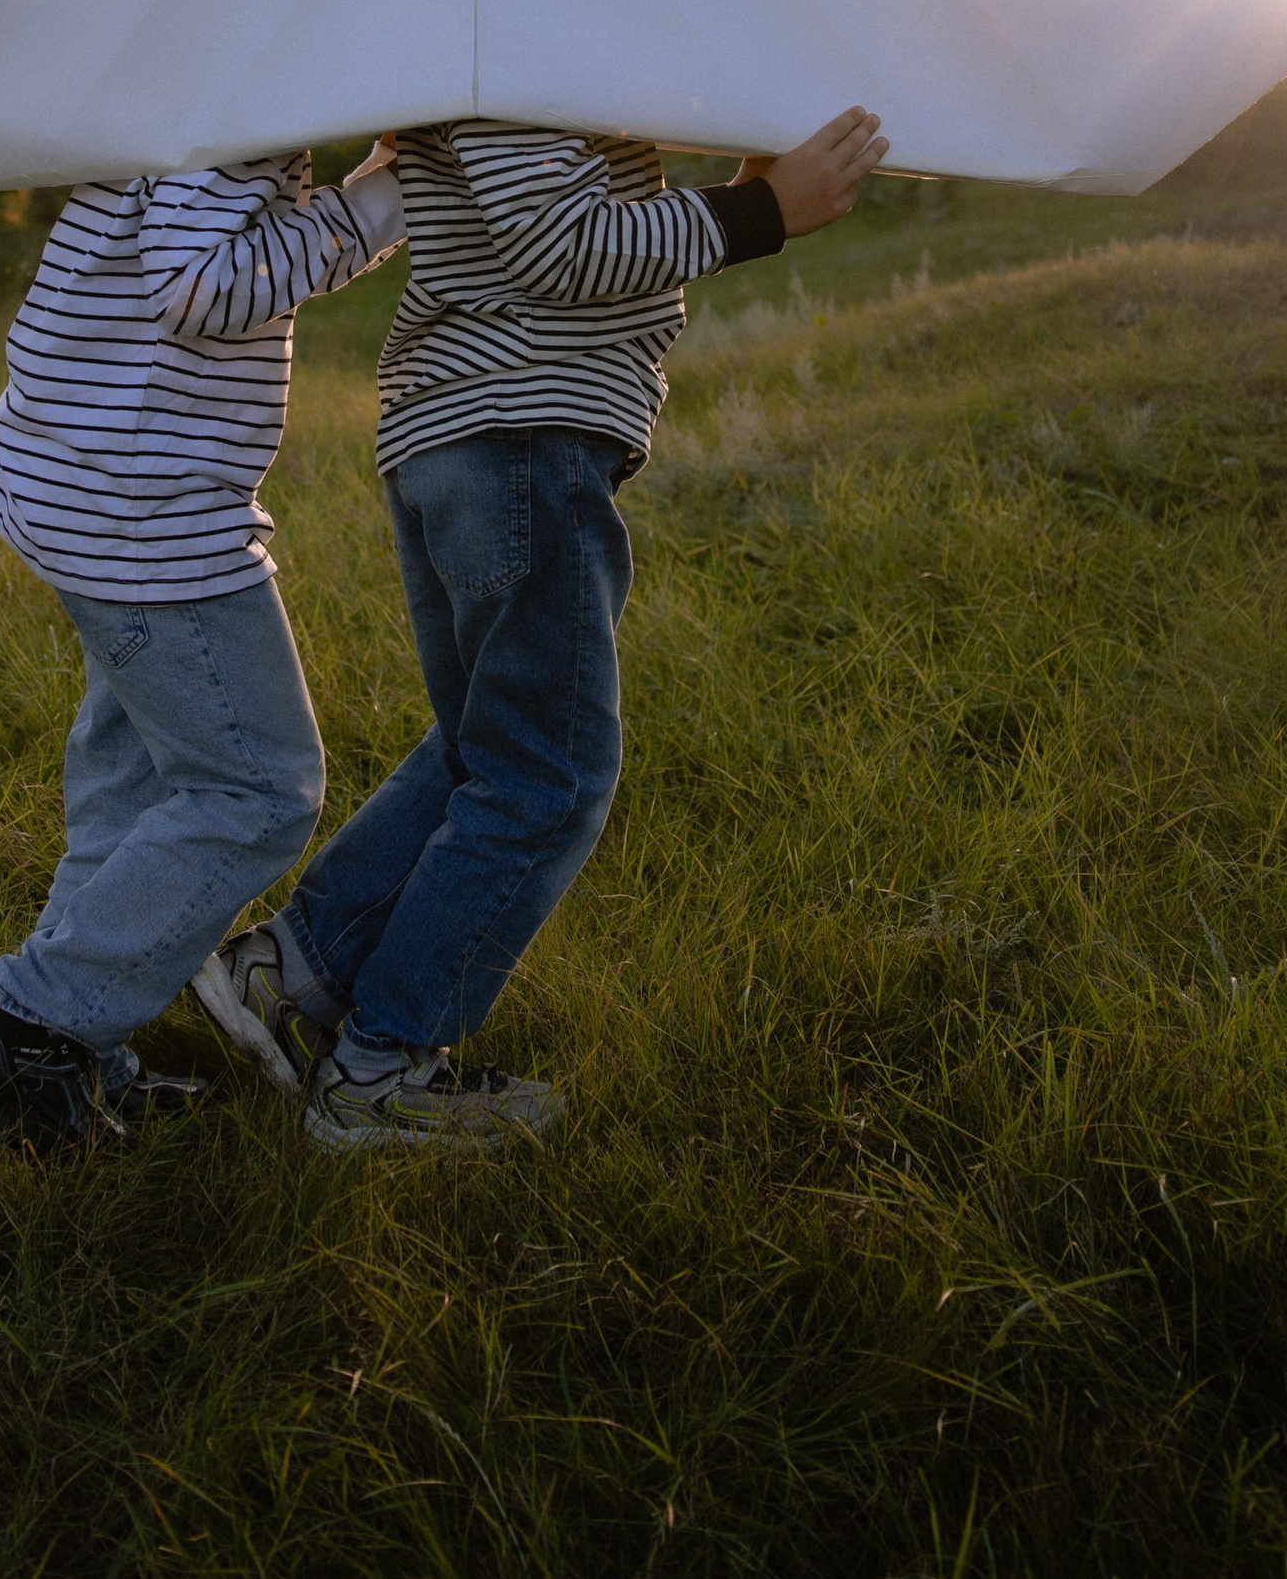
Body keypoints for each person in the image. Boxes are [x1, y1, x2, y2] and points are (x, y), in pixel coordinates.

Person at [192, 105, 886, 1149]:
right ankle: (381, 1070)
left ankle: (292, 968)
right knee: (548, 773)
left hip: (478, 435)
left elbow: (573, 252)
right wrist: (756, 213)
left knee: (490, 745)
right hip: (515, 439)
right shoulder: (512, 41)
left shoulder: (516, 38)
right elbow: (557, 246)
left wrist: (750, 191)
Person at [0, 142, 405, 1149]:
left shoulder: (194, 86)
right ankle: (26, 1020)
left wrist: (360, 194)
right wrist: (385, 204)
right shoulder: (237, 98)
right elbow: (197, 284)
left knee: (137, 789)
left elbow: (205, 253)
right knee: (260, 788)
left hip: (97, 496)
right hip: (143, 519)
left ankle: (73, 1046)